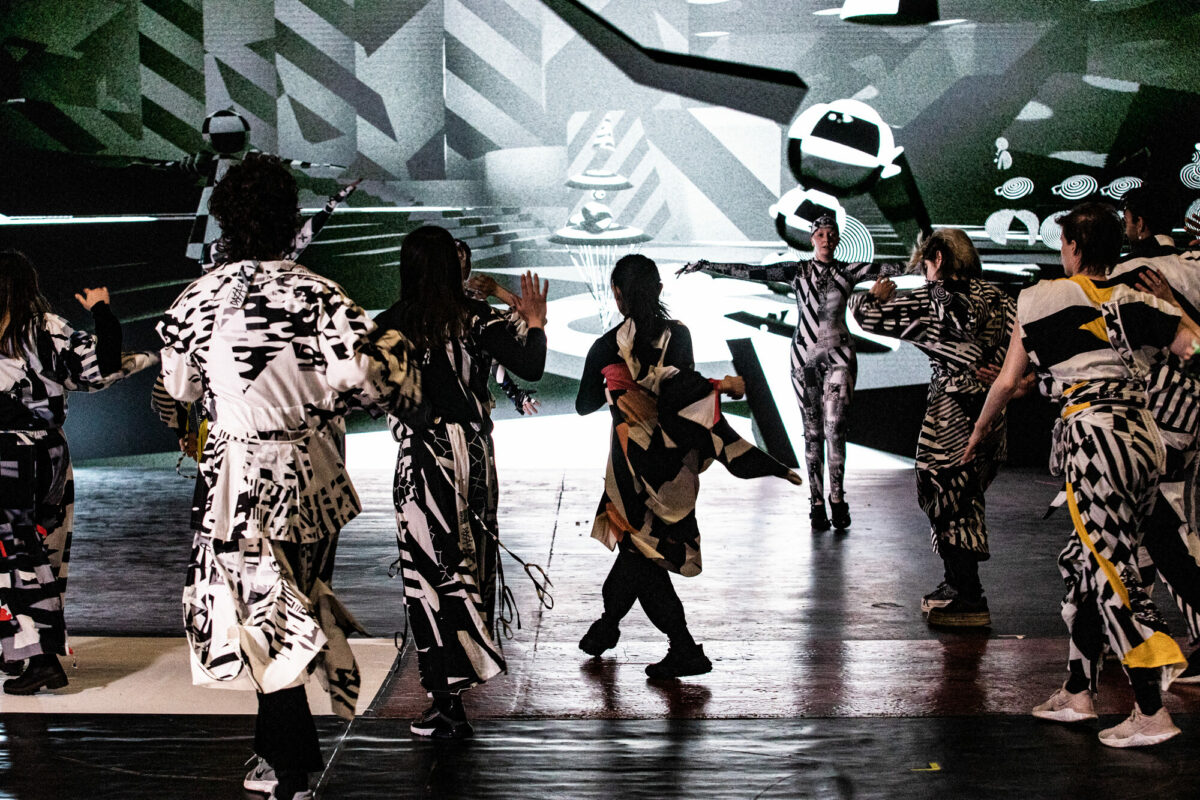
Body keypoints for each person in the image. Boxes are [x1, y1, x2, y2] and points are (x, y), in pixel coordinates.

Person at [157, 156, 419, 800]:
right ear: (292, 221)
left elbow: (178, 386)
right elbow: (371, 379)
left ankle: (288, 763)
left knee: (260, 617)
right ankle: (280, 755)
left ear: (224, 222)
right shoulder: (319, 296)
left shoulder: (198, 299)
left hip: (234, 477)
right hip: (310, 472)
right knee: (289, 604)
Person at [963, 202, 1200, 748]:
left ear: (1071, 246)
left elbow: (1005, 383)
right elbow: (1193, 349)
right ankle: (1077, 690)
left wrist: (977, 438)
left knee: (1113, 569)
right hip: (1144, 440)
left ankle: (1150, 709)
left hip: (1096, 442)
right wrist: (1172, 314)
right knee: (1082, 565)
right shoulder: (1138, 300)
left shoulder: (1040, 297)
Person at [577, 254, 803, 679]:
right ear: (660, 290)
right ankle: (611, 628)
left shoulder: (606, 346)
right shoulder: (678, 336)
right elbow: (684, 392)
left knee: (639, 557)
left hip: (632, 473)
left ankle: (679, 646)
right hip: (674, 471)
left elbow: (584, 404)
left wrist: (617, 390)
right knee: (639, 555)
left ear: (617, 294)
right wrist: (718, 388)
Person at [373, 225, 548, 740]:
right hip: (473, 453)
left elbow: (365, 387)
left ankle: (445, 697)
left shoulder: (390, 325)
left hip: (420, 458)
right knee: (469, 560)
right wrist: (533, 323)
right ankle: (467, 670)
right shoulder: (477, 320)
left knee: (426, 573)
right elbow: (531, 365)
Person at [678, 215, 904, 531]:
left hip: (839, 354)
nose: (825, 239)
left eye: (831, 234)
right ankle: (816, 503)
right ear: (812, 239)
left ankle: (837, 499)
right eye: (820, 234)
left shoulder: (848, 270)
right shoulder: (797, 271)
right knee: (812, 431)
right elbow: (752, 272)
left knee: (836, 429)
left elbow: (896, 268)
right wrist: (708, 265)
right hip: (805, 358)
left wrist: (935, 265)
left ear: (838, 239)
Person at [0, 251, 156, 694]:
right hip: (49, 452)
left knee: (16, 555)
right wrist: (103, 312)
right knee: (41, 549)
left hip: (5, 456)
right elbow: (102, 367)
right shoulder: (48, 328)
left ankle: (41, 656)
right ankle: (20, 649)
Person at [850, 229, 1016, 627]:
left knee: (943, 492)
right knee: (968, 493)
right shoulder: (998, 297)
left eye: (925, 263)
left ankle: (968, 594)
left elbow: (865, 317)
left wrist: (874, 295)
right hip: (993, 408)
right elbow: (1026, 343)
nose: (923, 272)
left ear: (938, 259)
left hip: (952, 407)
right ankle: (957, 583)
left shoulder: (931, 298)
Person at [1108, 188, 1200, 681]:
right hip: (1189, 411)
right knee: (1154, 523)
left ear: (1136, 223)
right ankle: (1118, 628)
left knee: (1151, 525)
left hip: (1150, 411)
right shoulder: (1193, 265)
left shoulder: (1125, 277)